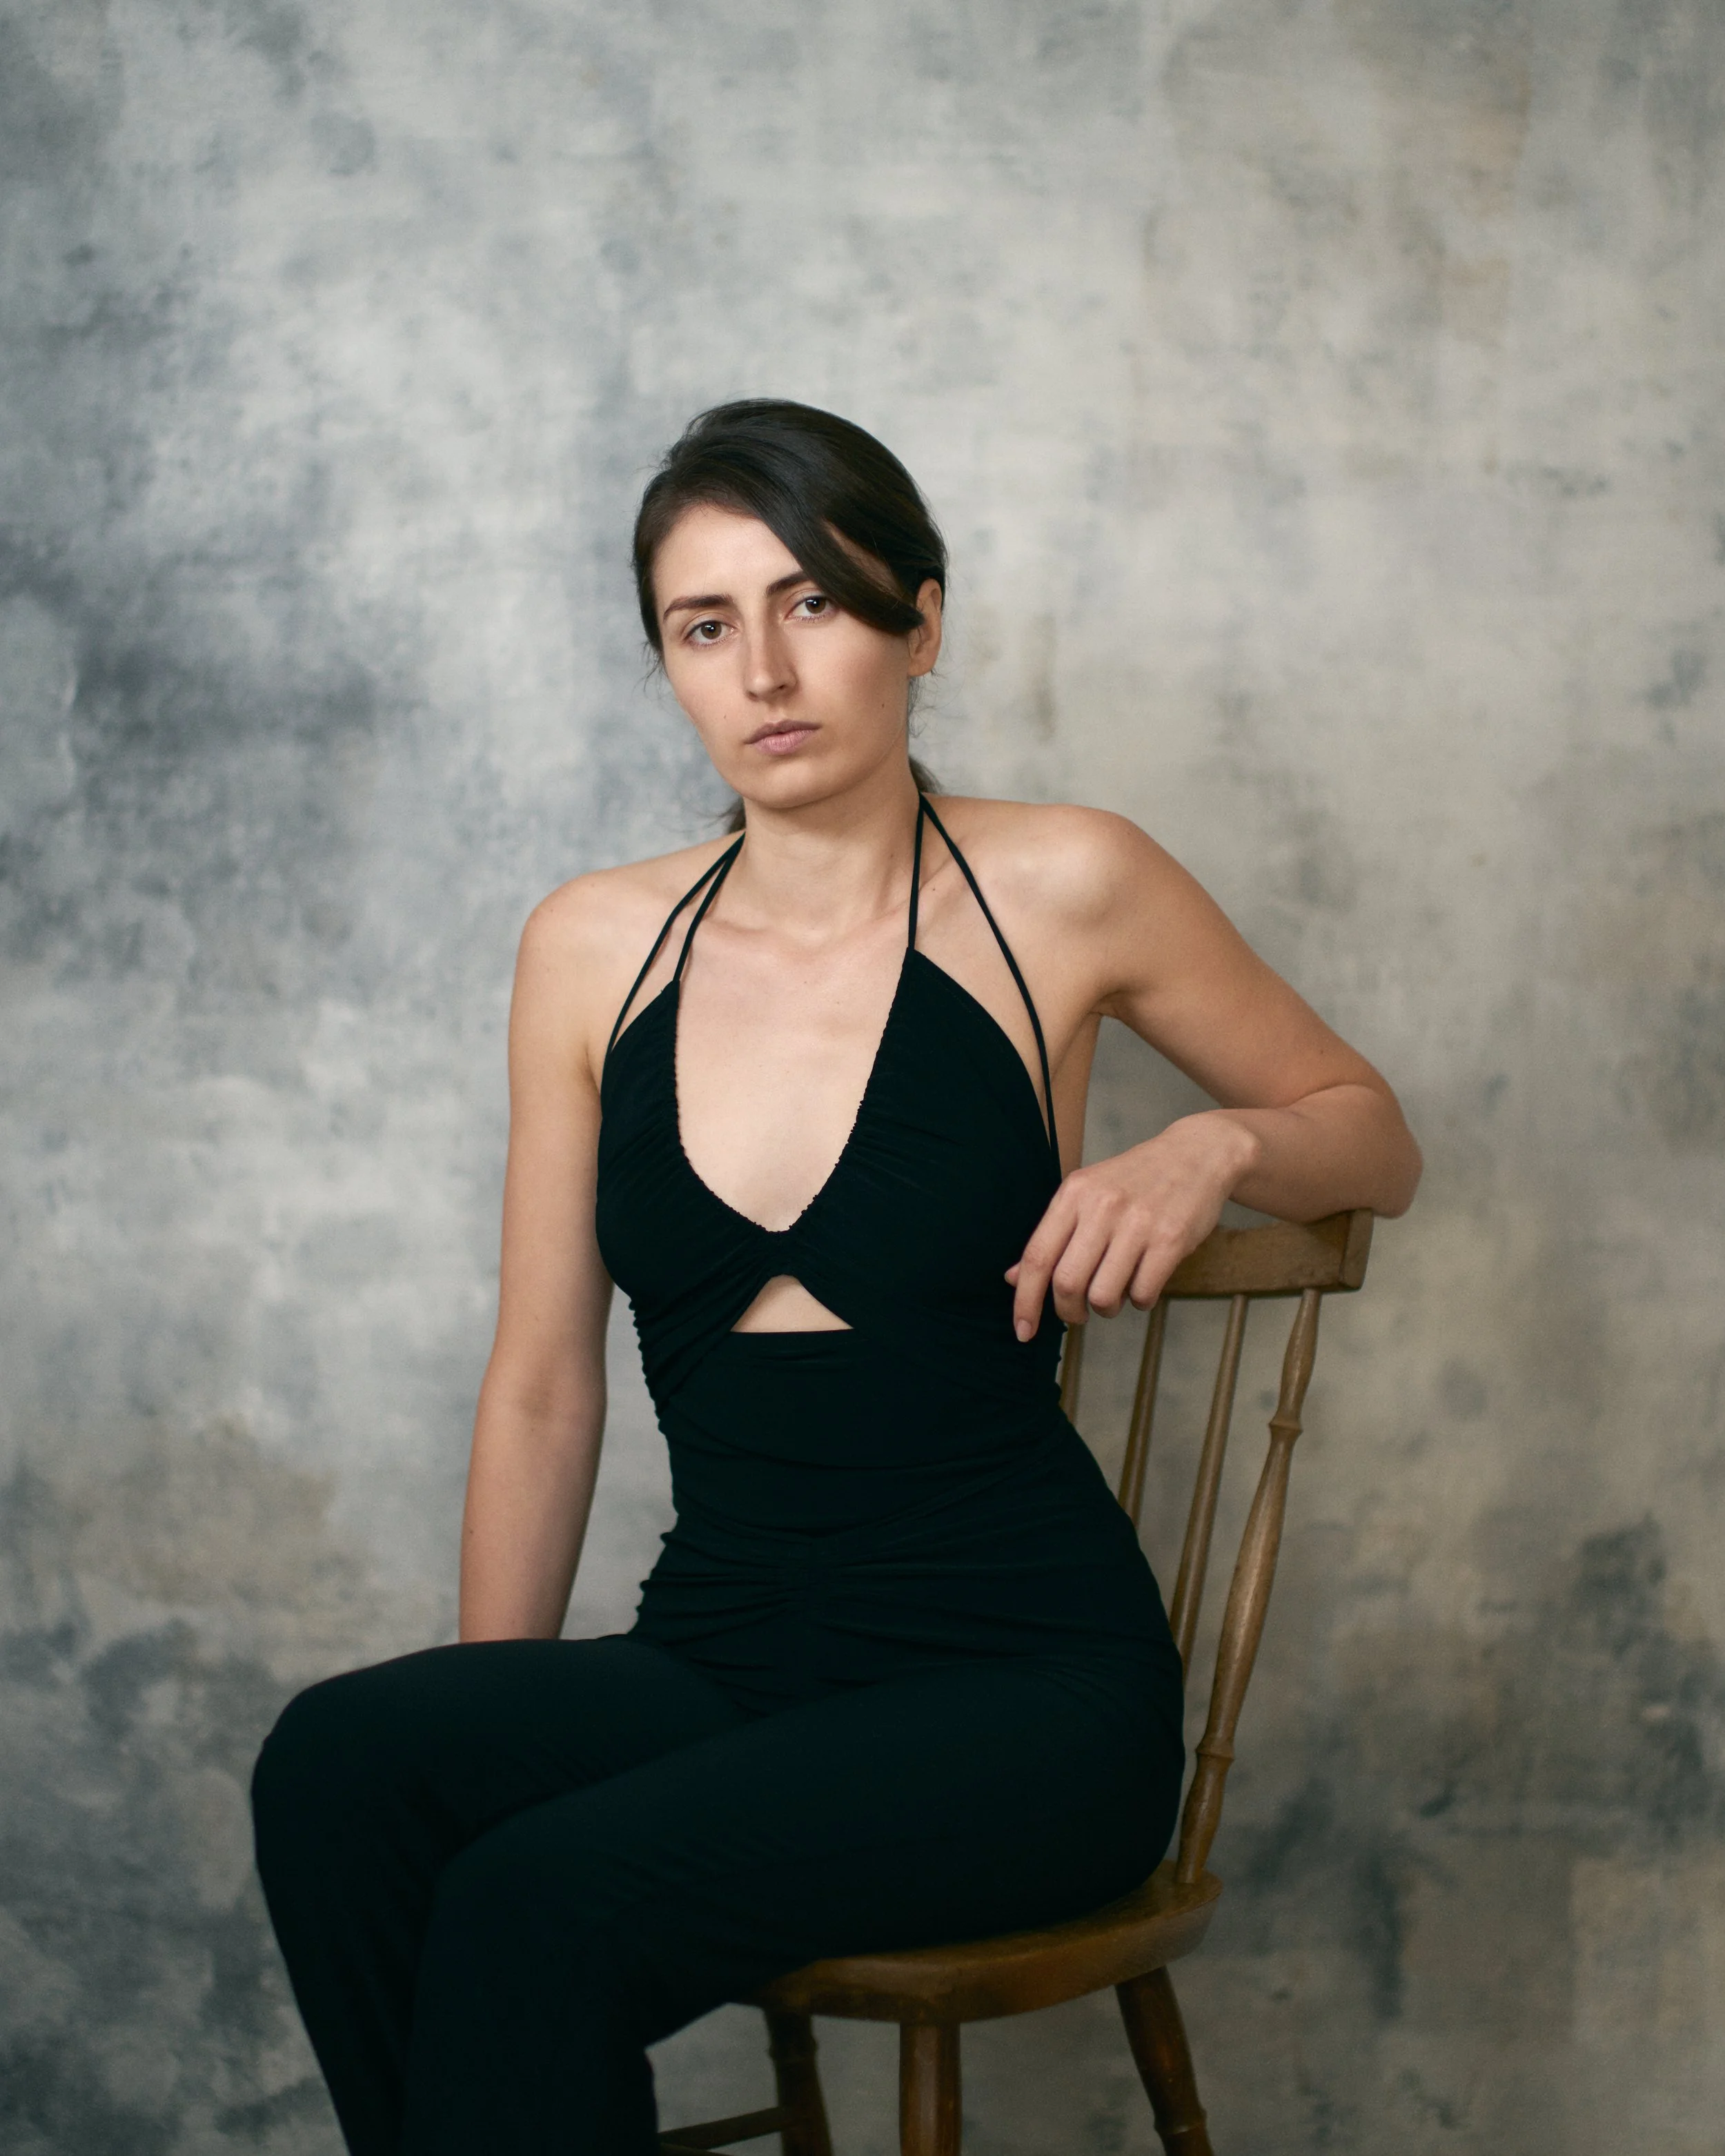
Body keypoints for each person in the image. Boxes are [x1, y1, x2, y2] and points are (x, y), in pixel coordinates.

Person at [250, 399, 1421, 2156]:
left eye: (814, 604)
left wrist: (1212, 1146)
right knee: (347, 1771)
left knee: (539, 1906)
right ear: (664, 666)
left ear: (918, 625)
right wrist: (493, 1735)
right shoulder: (588, 944)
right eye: (704, 625)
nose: (764, 670)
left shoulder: (1063, 883)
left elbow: (1371, 1132)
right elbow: (544, 1383)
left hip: (1019, 1682)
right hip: (723, 1650)